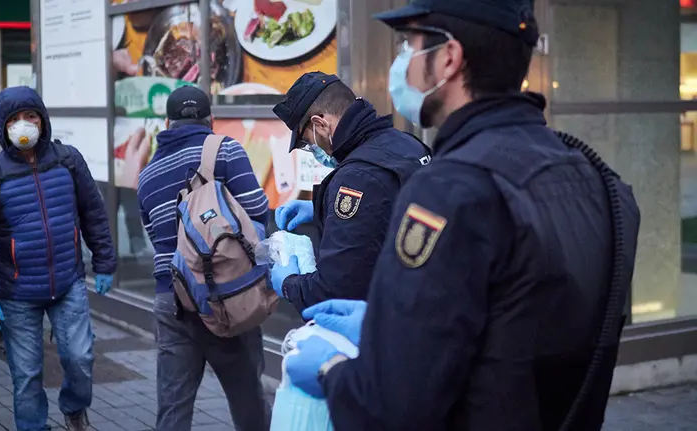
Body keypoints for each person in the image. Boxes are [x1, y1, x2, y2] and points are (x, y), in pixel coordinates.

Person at [284, 1, 642, 430]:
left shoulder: (449, 190)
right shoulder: (597, 177)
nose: (402, 62)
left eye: (408, 46)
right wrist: (385, 323)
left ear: (449, 58)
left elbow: (392, 405)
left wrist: (331, 372)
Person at [0, 86, 117, 431]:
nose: (23, 125)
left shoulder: (68, 160)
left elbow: (94, 214)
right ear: (3, 127)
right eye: (14, 119)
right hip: (17, 293)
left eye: (30, 116)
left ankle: (74, 408)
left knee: (80, 359)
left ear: (43, 120)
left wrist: (105, 262)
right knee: (27, 375)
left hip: (67, 283)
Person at [136, 85, 271, 431]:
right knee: (248, 400)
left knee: (173, 406)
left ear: (166, 123)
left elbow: (158, 239)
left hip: (172, 300)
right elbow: (257, 212)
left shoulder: (147, 175)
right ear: (210, 119)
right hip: (226, 297)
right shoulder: (225, 149)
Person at [270, 72, 430, 313]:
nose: (312, 149)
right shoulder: (407, 143)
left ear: (320, 125)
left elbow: (334, 291)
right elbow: (388, 211)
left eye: (307, 142)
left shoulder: (356, 178)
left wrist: (287, 283)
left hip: (396, 320)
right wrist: (321, 207)